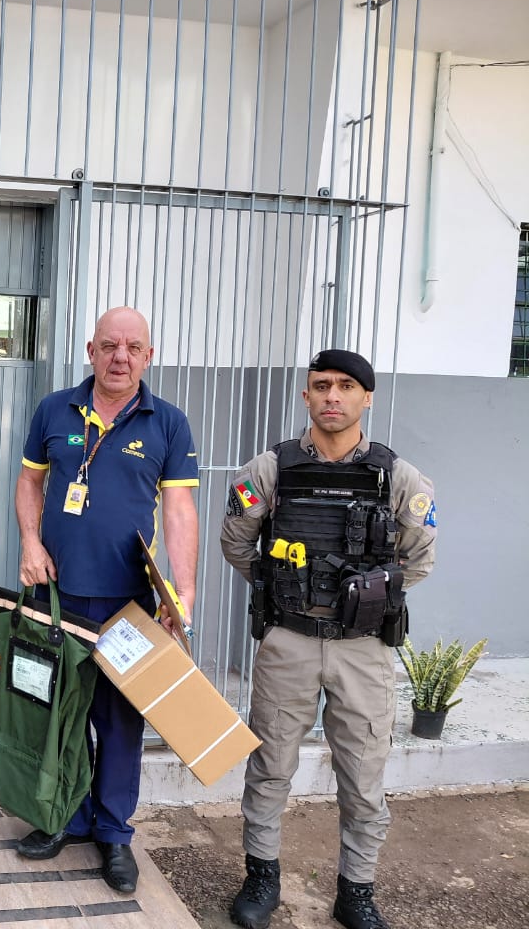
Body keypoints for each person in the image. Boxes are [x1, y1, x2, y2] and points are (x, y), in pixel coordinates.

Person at [220, 349, 437, 929]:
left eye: (345, 386)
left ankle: (356, 890)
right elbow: (238, 546)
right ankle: (262, 878)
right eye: (321, 386)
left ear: (368, 397)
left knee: (364, 775)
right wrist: (290, 590)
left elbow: (419, 558)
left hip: (363, 648)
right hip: (288, 641)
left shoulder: (401, 478)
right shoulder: (268, 470)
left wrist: (363, 596)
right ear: (306, 396)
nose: (332, 397)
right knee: (269, 766)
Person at [14, 306, 200, 893]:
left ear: (149, 356)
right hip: (58, 595)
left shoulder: (168, 423)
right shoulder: (53, 410)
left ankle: (115, 834)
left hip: (129, 603)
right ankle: (64, 817)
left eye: (134, 348)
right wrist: (28, 542)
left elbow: (178, 510)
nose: (121, 357)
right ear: (90, 350)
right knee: (60, 716)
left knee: (119, 723)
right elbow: (29, 482)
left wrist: (183, 589)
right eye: (110, 346)